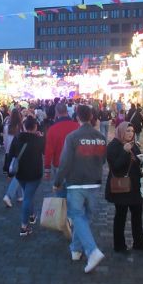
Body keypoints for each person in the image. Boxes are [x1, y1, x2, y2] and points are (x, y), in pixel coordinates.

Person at [53, 105, 106, 273]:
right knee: (83, 218)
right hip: (94, 182)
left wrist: (58, 181)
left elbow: (65, 162)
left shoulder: (73, 137)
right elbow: (103, 160)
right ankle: (76, 249)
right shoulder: (100, 137)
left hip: (76, 182)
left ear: (77, 117)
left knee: (76, 215)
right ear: (91, 116)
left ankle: (92, 250)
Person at [105, 122, 143, 253]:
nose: (130, 134)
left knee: (137, 215)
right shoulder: (113, 146)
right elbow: (115, 166)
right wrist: (124, 152)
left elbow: (136, 162)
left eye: (132, 131)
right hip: (122, 188)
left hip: (135, 187)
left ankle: (139, 242)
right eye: (128, 131)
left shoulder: (134, 145)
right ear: (121, 131)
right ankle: (119, 245)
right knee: (121, 216)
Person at [10, 116, 44, 236]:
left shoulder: (17, 138)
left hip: (21, 173)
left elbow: (11, 153)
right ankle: (24, 227)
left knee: (28, 194)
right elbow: (45, 151)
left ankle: (31, 216)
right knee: (28, 197)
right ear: (35, 127)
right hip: (35, 173)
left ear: (24, 126)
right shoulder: (39, 140)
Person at [2, 108, 24, 207]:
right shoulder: (21, 126)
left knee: (17, 174)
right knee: (19, 175)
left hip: (11, 151)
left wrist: (7, 151)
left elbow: (5, 140)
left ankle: (19, 195)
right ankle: (9, 195)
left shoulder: (7, 126)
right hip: (20, 152)